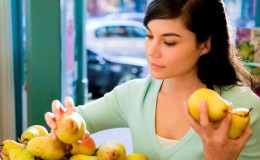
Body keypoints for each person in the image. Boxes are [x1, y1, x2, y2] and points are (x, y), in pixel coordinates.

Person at [45, 0, 260, 159]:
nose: (152, 51)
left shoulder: (245, 110)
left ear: (205, 44)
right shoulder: (134, 95)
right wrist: (63, 121)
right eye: (149, 36)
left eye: (169, 42)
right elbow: (78, 122)